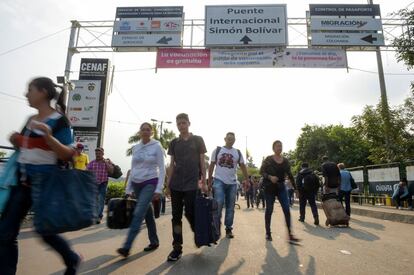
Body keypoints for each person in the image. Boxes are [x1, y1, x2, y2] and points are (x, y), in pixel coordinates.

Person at [0, 77, 81, 275]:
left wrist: (48, 137)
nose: (26, 93)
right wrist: (16, 140)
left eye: (30, 89)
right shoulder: (30, 120)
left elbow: (67, 154)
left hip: (46, 183)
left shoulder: (59, 120)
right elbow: (27, 148)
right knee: (5, 234)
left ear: (43, 92)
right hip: (22, 181)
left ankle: (71, 258)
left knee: (45, 231)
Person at [117, 122, 165, 258]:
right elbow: (133, 169)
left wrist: (159, 188)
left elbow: (162, 169)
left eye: (148, 130)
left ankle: (126, 247)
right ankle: (154, 241)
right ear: (139, 132)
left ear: (151, 132)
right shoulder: (136, 148)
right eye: (143, 130)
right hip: (137, 184)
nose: (145, 131)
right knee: (147, 214)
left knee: (138, 213)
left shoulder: (157, 146)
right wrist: (128, 189)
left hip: (150, 182)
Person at [166, 113, 207, 262]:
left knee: (190, 212)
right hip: (176, 184)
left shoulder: (197, 140)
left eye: (183, 123)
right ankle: (177, 248)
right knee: (176, 217)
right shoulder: (174, 142)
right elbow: (171, 165)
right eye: (179, 124)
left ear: (189, 123)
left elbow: (202, 163)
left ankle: (199, 233)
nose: (181, 126)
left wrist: (205, 183)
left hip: (192, 183)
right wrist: (168, 184)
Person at [207, 132, 249, 239]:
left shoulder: (237, 152)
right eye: (228, 138)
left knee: (230, 207)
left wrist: (247, 179)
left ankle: (228, 228)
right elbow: (211, 165)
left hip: (232, 183)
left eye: (232, 139)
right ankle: (216, 229)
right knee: (219, 203)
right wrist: (209, 180)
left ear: (234, 140)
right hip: (219, 180)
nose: (230, 140)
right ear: (225, 139)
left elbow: (243, 166)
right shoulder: (217, 150)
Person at [260, 140, 300, 243]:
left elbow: (290, 174)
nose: (279, 148)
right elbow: (261, 171)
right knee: (269, 210)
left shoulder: (285, 161)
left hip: (281, 187)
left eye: (281, 146)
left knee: (286, 209)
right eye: (277, 146)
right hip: (269, 188)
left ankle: (290, 234)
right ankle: (268, 233)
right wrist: (270, 177)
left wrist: (295, 189)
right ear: (273, 148)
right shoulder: (268, 159)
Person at [87, 147, 114, 223]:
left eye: (99, 153)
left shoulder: (107, 162)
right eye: (96, 153)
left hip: (103, 183)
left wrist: (106, 163)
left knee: (101, 200)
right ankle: (94, 215)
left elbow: (111, 171)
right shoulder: (92, 163)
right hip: (94, 184)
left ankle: (99, 216)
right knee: (94, 200)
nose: (98, 155)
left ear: (103, 154)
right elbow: (86, 171)